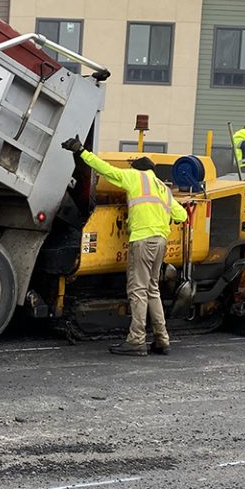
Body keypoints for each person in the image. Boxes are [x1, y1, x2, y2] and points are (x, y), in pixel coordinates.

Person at [61, 138, 187, 356]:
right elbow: (182, 215)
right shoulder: (163, 188)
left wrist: (82, 152)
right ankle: (161, 338)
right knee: (152, 289)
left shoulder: (134, 177)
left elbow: (106, 169)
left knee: (137, 290)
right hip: (160, 241)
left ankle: (137, 340)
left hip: (143, 239)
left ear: (137, 168)